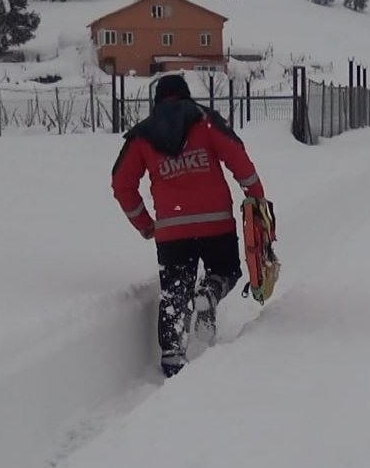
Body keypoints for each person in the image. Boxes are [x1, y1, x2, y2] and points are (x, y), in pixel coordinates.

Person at [111, 74, 266, 378]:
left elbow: (121, 184)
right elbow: (238, 158)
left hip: (172, 229)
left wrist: (145, 224)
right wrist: (256, 197)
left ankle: (172, 356)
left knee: (175, 292)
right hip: (215, 222)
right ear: (186, 96)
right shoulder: (206, 121)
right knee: (228, 270)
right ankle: (211, 289)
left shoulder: (142, 136)